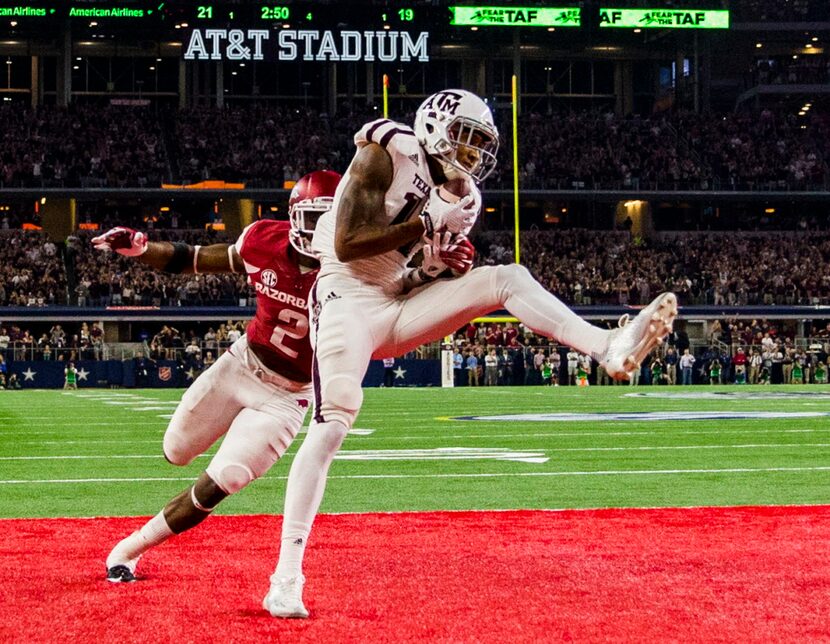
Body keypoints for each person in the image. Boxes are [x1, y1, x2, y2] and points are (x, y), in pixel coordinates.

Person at [262, 89, 677, 618]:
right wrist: (426, 227)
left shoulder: (465, 197)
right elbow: (347, 244)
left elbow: (409, 275)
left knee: (504, 278)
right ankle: (286, 577)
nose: (475, 153)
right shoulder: (385, 149)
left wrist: (440, 267)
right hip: (343, 294)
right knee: (333, 421)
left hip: (394, 301)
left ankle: (608, 346)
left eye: (482, 143)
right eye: (467, 137)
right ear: (435, 126)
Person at [93, 170, 341, 584]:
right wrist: (140, 248)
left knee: (224, 479)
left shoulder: (357, 268)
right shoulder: (264, 240)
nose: (321, 232)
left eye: (332, 221)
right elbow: (192, 259)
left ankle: (128, 549)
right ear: (295, 217)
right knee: (176, 449)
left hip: (290, 396)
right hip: (241, 366)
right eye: (314, 219)